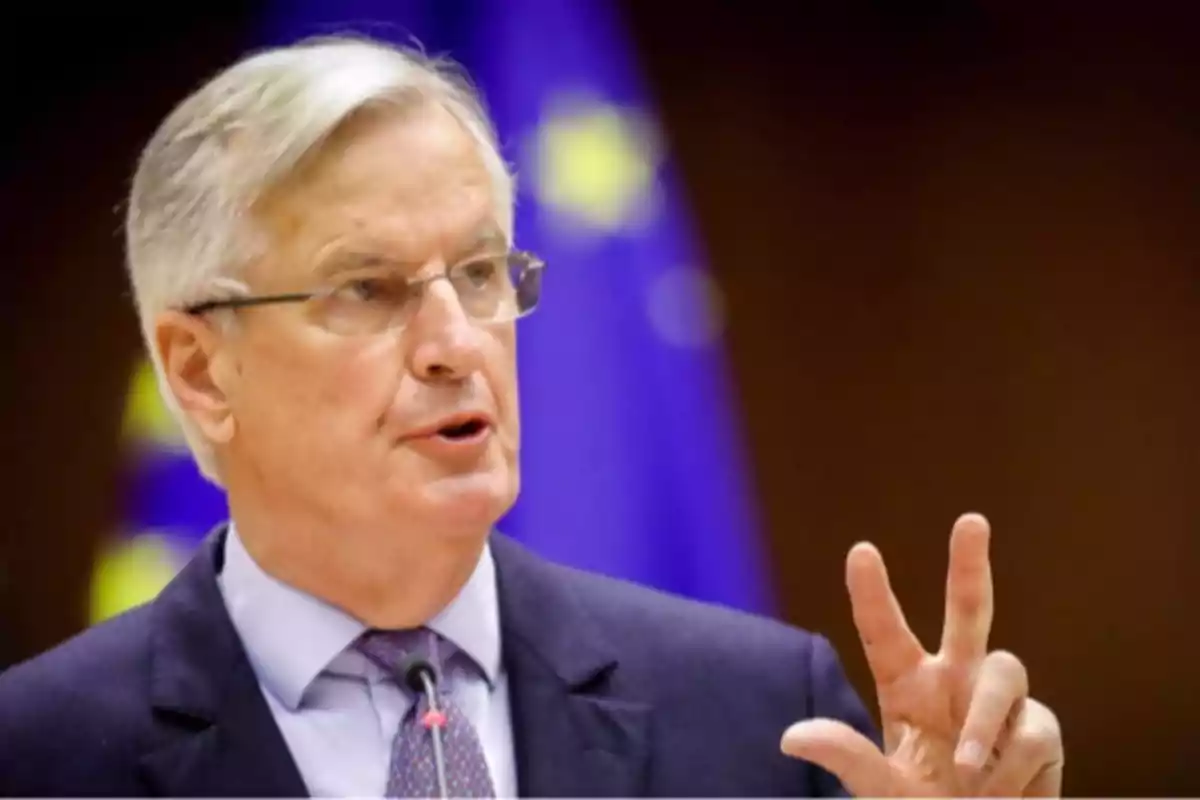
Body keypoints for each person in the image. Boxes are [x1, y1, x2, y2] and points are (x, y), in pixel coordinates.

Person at [0, 35, 1062, 797]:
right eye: (365, 288)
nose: (457, 341)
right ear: (200, 371)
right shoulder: (36, 756)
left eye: (479, 272)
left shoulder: (763, 720)